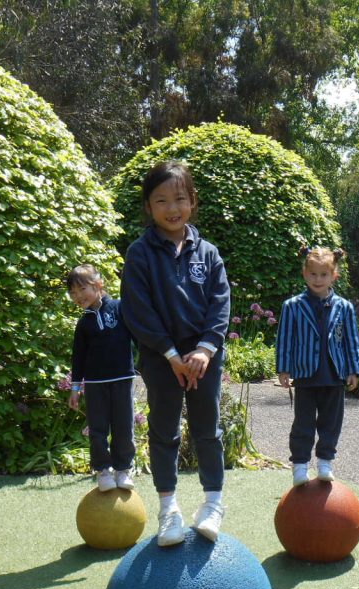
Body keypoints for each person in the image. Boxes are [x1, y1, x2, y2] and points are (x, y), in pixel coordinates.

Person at [120, 161, 231, 547]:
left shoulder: (209, 253)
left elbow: (220, 304)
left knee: (208, 430)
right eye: (161, 200)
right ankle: (169, 510)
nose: (172, 208)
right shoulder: (139, 254)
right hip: (160, 359)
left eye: (180, 199)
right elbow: (138, 310)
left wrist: (204, 350)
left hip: (205, 361)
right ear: (148, 207)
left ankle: (213, 505)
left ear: (192, 202)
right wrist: (171, 354)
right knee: (163, 431)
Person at [275, 245, 359, 486]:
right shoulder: (292, 306)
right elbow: (285, 338)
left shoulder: (345, 307)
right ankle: (300, 465)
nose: (318, 279)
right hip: (305, 375)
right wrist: (283, 368)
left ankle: (325, 461)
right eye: (313, 274)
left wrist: (354, 369)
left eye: (323, 275)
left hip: (334, 376)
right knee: (303, 423)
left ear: (334, 275)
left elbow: (351, 340)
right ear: (304, 274)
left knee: (330, 423)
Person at [66, 264, 137, 493]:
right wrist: (75, 388)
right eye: (73, 294)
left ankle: (123, 469)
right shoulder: (83, 323)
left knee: (124, 426)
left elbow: (140, 338)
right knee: (97, 429)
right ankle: (103, 470)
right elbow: (78, 358)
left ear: (98, 285)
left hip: (122, 379)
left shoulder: (120, 309)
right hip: (95, 385)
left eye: (82, 289)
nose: (77, 297)